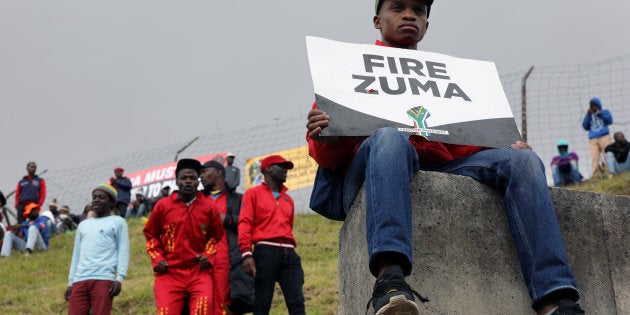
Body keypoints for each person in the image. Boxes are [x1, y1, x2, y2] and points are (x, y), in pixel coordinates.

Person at [305, 1, 584, 314]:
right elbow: (326, 158)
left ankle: (556, 300)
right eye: (398, 7)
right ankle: (390, 279)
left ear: (426, 25)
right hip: (374, 163)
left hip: (442, 162)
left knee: (523, 161)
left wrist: (500, 144)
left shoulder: (447, 79)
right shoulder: (349, 68)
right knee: (389, 138)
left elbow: (463, 145)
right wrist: (326, 136)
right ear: (376, 20)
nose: (410, 15)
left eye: (419, 11)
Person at [143, 158, 224, 314]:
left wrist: (208, 255)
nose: (188, 182)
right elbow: (151, 235)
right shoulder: (163, 206)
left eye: (192, 178)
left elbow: (215, 237)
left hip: (198, 272)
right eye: (184, 178)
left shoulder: (208, 207)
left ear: (198, 181)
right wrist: (158, 258)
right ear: (177, 181)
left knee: (203, 307)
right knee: (166, 312)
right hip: (169, 273)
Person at [238, 155, 305, 314]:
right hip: (265, 251)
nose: (285, 171)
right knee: (262, 302)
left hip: (290, 253)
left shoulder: (288, 199)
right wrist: (247, 254)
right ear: (268, 168)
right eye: (281, 167)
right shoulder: (252, 194)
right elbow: (245, 223)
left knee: (297, 302)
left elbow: (289, 226)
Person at [65, 183, 130, 315]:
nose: (96, 200)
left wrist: (119, 278)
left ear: (112, 203)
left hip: (103, 279)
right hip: (80, 280)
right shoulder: (83, 225)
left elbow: (123, 251)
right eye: (94, 197)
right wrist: (71, 282)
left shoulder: (118, 222)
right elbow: (76, 255)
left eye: (101, 197)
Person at [200, 160, 254, 314]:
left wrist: (228, 219)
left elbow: (250, 223)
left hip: (228, 261)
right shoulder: (196, 200)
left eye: (205, 172)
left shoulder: (238, 199)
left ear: (218, 173)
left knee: (224, 303)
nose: (201, 176)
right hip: (200, 261)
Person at [582, 97, 613, 177]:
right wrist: (588, 115)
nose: (593, 107)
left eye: (595, 105)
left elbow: (610, 121)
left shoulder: (605, 112)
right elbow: (585, 126)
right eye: (591, 106)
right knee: (594, 158)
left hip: (604, 136)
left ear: (598, 105)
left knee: (607, 155)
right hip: (593, 139)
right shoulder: (589, 115)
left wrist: (601, 114)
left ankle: (609, 172)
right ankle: (595, 175)